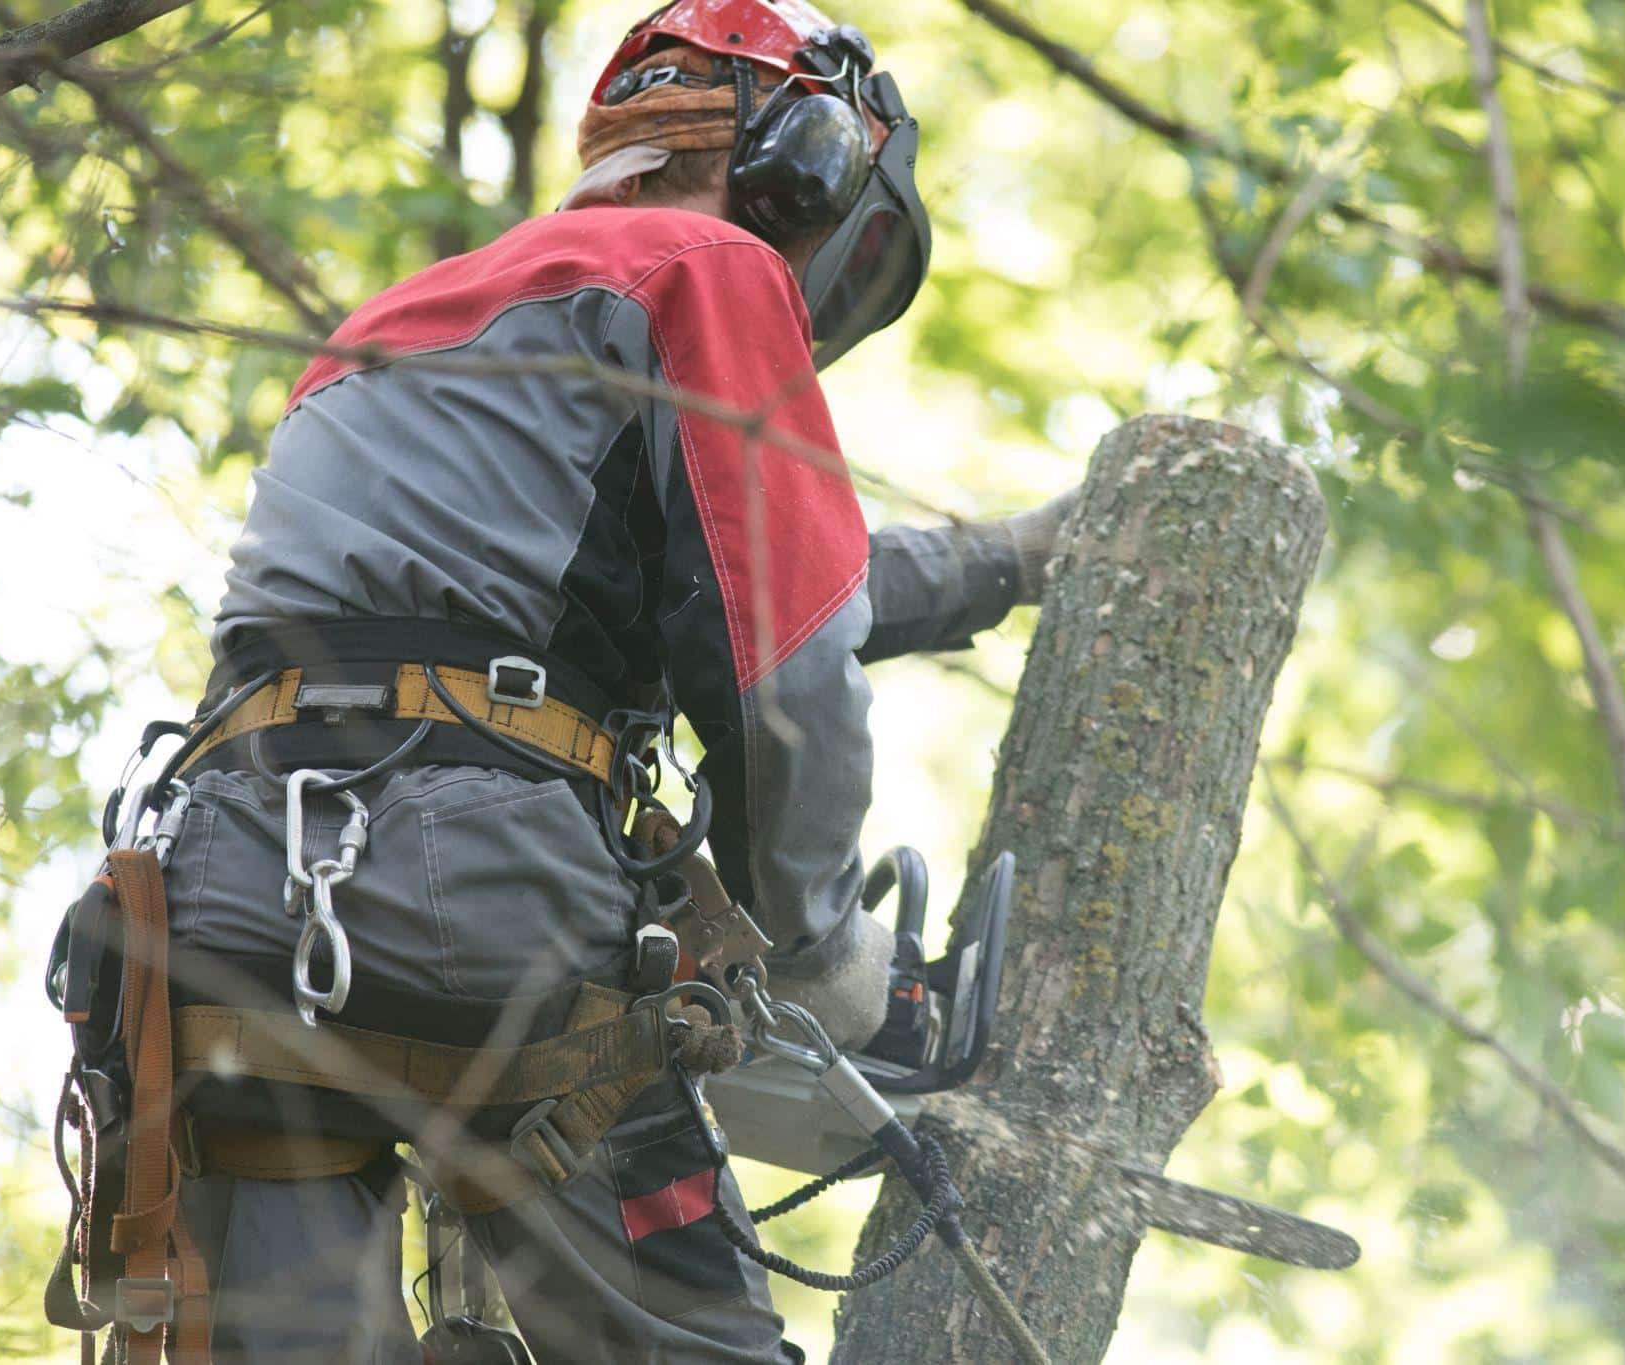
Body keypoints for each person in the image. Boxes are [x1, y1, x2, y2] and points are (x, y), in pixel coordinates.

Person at [156, 1, 1074, 1359]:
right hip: (479, 898)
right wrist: (823, 959)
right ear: (804, 159)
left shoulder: (394, 333)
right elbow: (787, 673)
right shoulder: (701, 267)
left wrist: (1000, 563)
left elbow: (734, 573)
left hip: (234, 902)